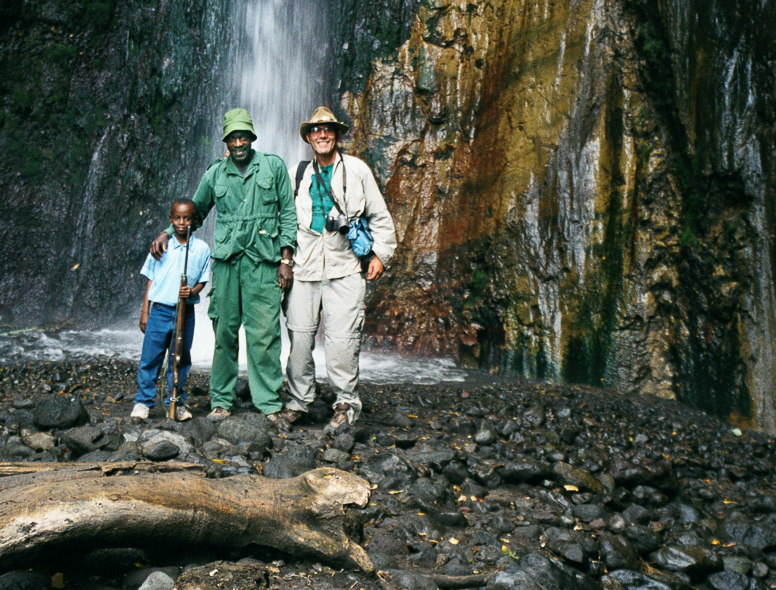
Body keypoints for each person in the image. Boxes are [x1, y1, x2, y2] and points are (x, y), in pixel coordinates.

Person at [149, 108, 296, 422]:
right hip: (227, 264)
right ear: (226, 142)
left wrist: (286, 260)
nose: (239, 142)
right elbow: (194, 212)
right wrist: (165, 230)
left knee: (265, 334)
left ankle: (268, 403)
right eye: (233, 138)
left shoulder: (273, 167)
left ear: (252, 137)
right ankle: (222, 401)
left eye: (244, 136)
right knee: (225, 333)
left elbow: (288, 215)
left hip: (263, 263)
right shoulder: (215, 173)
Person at [279, 106, 397, 435]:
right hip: (303, 267)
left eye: (328, 129)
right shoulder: (297, 173)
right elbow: (282, 220)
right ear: (308, 137)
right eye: (316, 131)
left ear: (338, 135)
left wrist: (381, 255)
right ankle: (299, 402)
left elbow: (380, 217)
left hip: (345, 267)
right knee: (299, 339)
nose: (322, 134)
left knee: (343, 340)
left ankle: (345, 403)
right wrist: (282, 259)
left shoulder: (357, 170)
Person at [133, 198, 211, 422]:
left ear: (195, 221)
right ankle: (143, 401)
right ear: (170, 219)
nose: (182, 223)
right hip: (159, 311)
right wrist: (144, 311)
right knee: (150, 357)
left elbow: (203, 280)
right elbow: (150, 279)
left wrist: (192, 291)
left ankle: (174, 401)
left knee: (181, 359)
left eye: (187, 218)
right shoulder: (160, 246)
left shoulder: (202, 249)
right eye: (177, 218)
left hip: (185, 314)